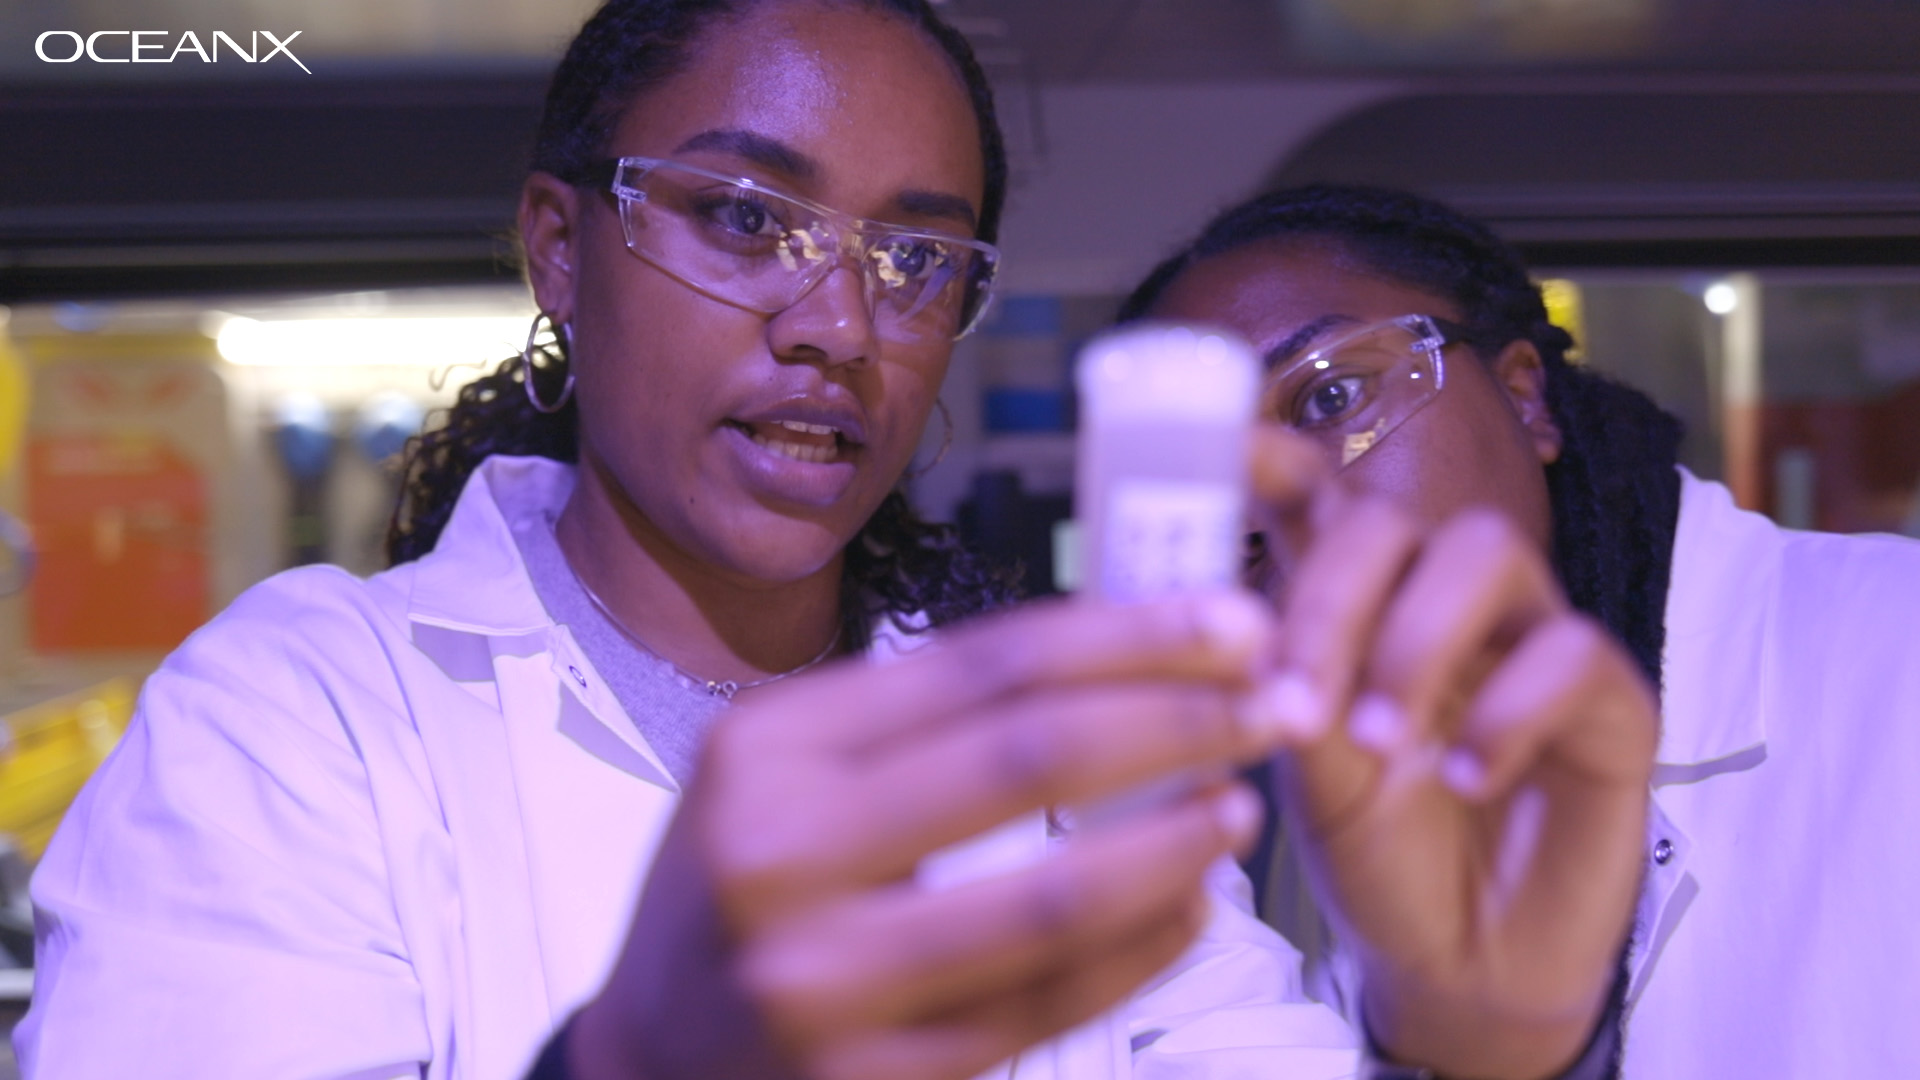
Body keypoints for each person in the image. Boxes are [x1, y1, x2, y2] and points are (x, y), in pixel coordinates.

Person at [16, 5, 1654, 1078]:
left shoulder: (1064, 756)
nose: (836, 324)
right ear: (562, 252)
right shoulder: (301, 722)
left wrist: (1479, 1041)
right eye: (745, 218)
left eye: (917, 261)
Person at [1124, 182, 1920, 1079]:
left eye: (1331, 395)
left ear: (1524, 397)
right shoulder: (1314, 820)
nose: (1270, 499)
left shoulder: (1896, 649)